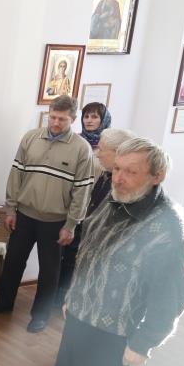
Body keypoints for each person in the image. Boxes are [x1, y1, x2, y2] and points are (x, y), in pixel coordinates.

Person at [54, 138, 184, 366]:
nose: (118, 178)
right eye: (116, 168)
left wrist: (144, 342)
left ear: (157, 176)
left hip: (114, 334)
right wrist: (72, 295)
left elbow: (171, 297)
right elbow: (90, 252)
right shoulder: (115, 197)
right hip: (78, 317)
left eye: (131, 171)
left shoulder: (168, 227)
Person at [0, 95, 95, 333]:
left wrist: (71, 225)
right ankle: (3, 303)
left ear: (73, 119)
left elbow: (82, 191)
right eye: (52, 117)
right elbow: (16, 176)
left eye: (62, 119)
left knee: (49, 271)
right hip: (24, 215)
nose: (55, 123)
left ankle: (40, 315)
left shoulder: (81, 149)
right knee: (13, 262)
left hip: (56, 221)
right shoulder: (30, 138)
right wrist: (10, 208)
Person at [57, 128, 136, 306]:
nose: (97, 154)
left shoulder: (124, 185)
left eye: (101, 149)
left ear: (118, 152)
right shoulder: (105, 174)